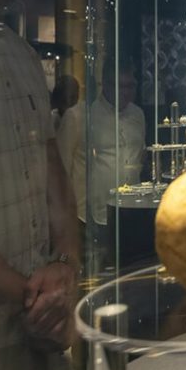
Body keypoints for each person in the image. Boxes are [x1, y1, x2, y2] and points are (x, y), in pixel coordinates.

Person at [0, 0, 80, 370]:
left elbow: (53, 175)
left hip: (30, 329)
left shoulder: (22, 55)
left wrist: (66, 265)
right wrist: (39, 296)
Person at [57, 55, 146, 244]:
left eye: (130, 86)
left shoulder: (138, 115)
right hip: (88, 217)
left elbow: (139, 159)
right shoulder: (78, 116)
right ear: (104, 84)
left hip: (130, 213)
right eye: (119, 86)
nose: (126, 92)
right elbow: (60, 172)